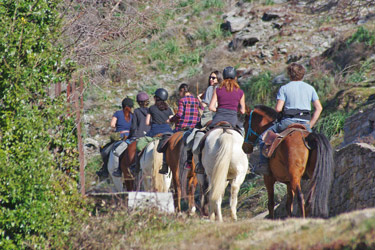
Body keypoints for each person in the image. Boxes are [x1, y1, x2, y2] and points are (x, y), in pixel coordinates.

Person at [253, 62, 323, 175]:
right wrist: (310, 125)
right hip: (304, 124)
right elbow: (319, 108)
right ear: (302, 74)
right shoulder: (310, 88)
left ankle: (264, 165)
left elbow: (278, 108)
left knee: (262, 138)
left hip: (287, 122)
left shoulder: (284, 88)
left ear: (290, 74)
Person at [194, 66, 246, 174]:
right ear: (235, 78)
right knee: (243, 136)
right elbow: (243, 111)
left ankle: (199, 163)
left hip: (218, 119)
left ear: (224, 77)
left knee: (204, 136)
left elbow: (211, 107)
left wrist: (220, 109)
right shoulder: (240, 92)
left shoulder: (217, 90)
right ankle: (246, 164)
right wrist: (233, 109)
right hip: (233, 120)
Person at [163, 83, 201, 174]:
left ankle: (164, 165)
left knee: (165, 141)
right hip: (194, 128)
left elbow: (179, 114)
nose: (179, 94)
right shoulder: (196, 100)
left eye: (180, 92)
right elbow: (201, 109)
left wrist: (171, 119)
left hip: (182, 127)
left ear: (182, 90)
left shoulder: (182, 100)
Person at [112, 92, 151, 176]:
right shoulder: (151, 110)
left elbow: (133, 127)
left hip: (137, 136)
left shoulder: (136, 112)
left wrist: (129, 136)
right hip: (150, 136)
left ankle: (119, 169)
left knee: (121, 151)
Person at [145, 88, 174, 174]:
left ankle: (136, 166)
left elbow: (147, 123)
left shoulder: (151, 108)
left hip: (155, 131)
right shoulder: (169, 109)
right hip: (168, 132)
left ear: (156, 98)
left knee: (140, 144)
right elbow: (171, 120)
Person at [110, 97, 134, 177]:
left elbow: (112, 125)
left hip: (120, 136)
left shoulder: (117, 113)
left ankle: (112, 170)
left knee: (106, 151)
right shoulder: (133, 115)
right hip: (131, 137)